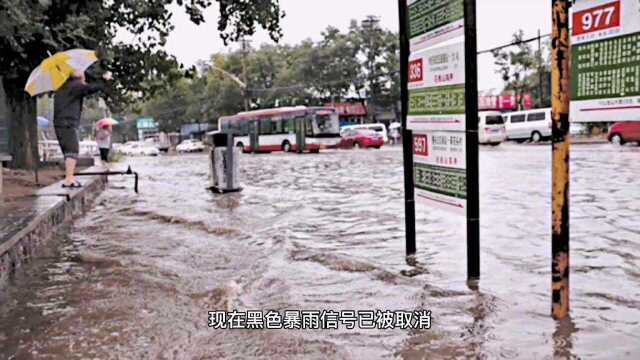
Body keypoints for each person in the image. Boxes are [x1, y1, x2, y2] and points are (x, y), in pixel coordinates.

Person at [54, 70, 112, 188]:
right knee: (72, 150)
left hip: (63, 122)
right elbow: (91, 88)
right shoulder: (75, 86)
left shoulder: (64, 87)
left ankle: (69, 177)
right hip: (67, 122)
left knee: (69, 150)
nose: (83, 71)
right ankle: (69, 179)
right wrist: (104, 79)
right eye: (80, 70)